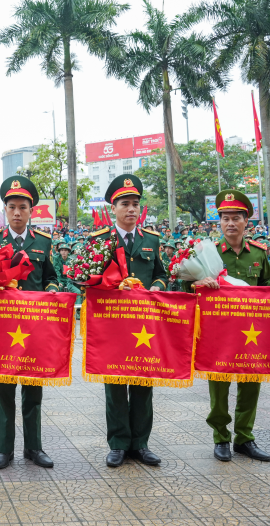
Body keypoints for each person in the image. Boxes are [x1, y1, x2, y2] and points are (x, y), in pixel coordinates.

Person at [183, 190, 270, 463]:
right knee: (219, 385)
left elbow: (267, 283)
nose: (230, 223)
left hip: (252, 332)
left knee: (251, 383)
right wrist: (199, 283)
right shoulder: (208, 253)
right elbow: (185, 286)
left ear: (246, 222)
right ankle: (221, 438)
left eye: (236, 218)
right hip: (218, 333)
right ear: (219, 222)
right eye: (225, 219)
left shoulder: (259, 253)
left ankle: (244, 438)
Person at [0, 176, 60, 470]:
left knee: (33, 389)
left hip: (34, 328)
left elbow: (51, 277)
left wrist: (51, 291)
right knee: (4, 389)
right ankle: (4, 449)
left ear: (31, 211)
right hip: (3, 330)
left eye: (22, 207)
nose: (17, 212)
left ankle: (34, 447)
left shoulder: (43, 242)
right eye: (12, 207)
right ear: (5, 209)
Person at [88, 175, 167, 468]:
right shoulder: (99, 240)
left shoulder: (151, 240)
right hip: (112, 325)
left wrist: (156, 287)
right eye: (125, 204)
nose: (131, 209)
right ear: (113, 208)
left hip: (144, 325)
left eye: (135, 204)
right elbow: (88, 278)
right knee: (115, 385)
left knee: (143, 382)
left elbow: (161, 274)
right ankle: (119, 444)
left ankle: (141, 444)